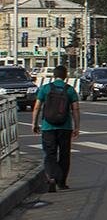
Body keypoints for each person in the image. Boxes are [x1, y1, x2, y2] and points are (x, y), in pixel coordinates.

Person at [32, 65, 81, 193]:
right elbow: (75, 109)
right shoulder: (70, 90)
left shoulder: (45, 88)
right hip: (65, 127)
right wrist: (77, 126)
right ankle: (62, 183)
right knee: (64, 154)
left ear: (54, 75)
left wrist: (34, 123)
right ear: (65, 76)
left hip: (48, 127)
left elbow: (37, 107)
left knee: (49, 154)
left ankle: (52, 177)